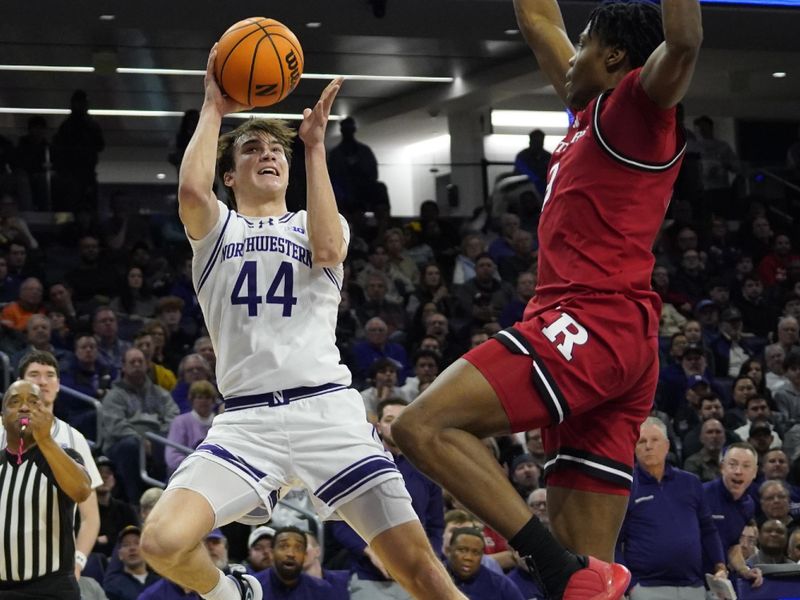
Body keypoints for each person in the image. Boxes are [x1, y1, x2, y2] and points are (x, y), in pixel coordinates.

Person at [393, 0, 703, 598]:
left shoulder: (637, 106)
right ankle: (571, 572)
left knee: (421, 426)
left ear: (615, 56)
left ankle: (547, 559)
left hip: (591, 321)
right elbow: (539, 22)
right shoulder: (590, 110)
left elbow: (684, 42)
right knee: (590, 583)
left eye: (584, 44)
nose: (570, 56)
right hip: (620, 336)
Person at [139, 46, 467, 600]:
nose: (267, 153)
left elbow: (330, 246)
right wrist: (213, 107)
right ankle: (231, 595)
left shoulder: (314, 220)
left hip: (327, 414)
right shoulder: (218, 230)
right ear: (230, 173)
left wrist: (314, 147)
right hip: (247, 423)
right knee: (161, 543)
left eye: (275, 149)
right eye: (252, 148)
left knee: (422, 573)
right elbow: (192, 192)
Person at [332, 398, 446, 599]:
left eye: (401, 420)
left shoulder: (427, 469)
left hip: (419, 576)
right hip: (371, 578)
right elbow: (340, 524)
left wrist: (429, 561)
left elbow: (436, 526)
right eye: (389, 420)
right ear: (378, 426)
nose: (395, 425)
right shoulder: (361, 464)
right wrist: (372, 553)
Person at [10, 351, 103, 581]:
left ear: (59, 385)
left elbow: (90, 516)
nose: (43, 381)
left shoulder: (75, 439)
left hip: (54, 567)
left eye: (50, 375)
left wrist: (79, 561)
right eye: (34, 375)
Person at [0, 380, 92, 599]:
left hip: (52, 590)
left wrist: (45, 439)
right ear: (2, 418)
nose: (24, 408)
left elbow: (81, 491)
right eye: (15, 402)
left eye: (33, 402)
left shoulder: (64, 457)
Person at [616, 418, 726, 599]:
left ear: (667, 446)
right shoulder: (627, 486)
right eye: (642, 441)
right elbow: (614, 542)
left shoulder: (690, 483)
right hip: (646, 588)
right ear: (634, 448)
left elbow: (708, 529)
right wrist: (630, 586)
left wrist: (720, 565)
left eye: (654, 440)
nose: (648, 446)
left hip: (693, 587)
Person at [101, 347, 179, 503]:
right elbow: (116, 426)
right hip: (122, 445)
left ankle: (166, 498)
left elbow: (173, 417)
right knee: (131, 445)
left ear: (147, 365)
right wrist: (141, 440)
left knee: (165, 444)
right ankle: (134, 502)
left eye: (140, 361)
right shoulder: (114, 396)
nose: (137, 365)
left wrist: (154, 439)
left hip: (155, 443)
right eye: (132, 362)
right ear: (123, 367)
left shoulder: (160, 394)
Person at [703, 443, 764, 588]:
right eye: (733, 464)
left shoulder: (748, 505)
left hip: (721, 582)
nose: (738, 471)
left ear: (754, 472)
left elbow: (732, 545)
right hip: (692, 581)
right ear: (722, 467)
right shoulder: (701, 496)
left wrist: (745, 570)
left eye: (746, 466)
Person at [252, 527, 342, 599]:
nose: (291, 554)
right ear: (272, 552)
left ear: (305, 555)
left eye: (298, 548)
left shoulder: (322, 589)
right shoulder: (253, 586)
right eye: (283, 546)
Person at [445, 527, 525, 600]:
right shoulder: (434, 577)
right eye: (462, 550)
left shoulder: (502, 586)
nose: (468, 557)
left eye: (476, 553)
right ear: (448, 551)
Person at [166, 380, 219, 475]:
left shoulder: (220, 422)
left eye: (207, 397)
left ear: (213, 401)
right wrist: (197, 466)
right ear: (192, 400)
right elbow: (172, 456)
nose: (203, 401)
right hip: (186, 474)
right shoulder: (180, 422)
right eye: (199, 397)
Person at [93, 456, 141, 557]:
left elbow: (135, 538)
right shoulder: (82, 511)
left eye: (109, 473)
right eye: (99, 472)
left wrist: (108, 539)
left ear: (114, 480)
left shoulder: (126, 510)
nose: (104, 476)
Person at [102, 525, 161, 600]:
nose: (132, 548)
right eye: (126, 545)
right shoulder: (112, 586)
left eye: (137, 543)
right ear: (120, 555)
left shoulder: (160, 582)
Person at [514, 129, 552, 196]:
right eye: (535, 141)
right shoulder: (522, 156)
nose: (537, 144)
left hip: (544, 188)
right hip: (524, 186)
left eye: (539, 142)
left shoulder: (549, 157)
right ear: (530, 141)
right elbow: (522, 174)